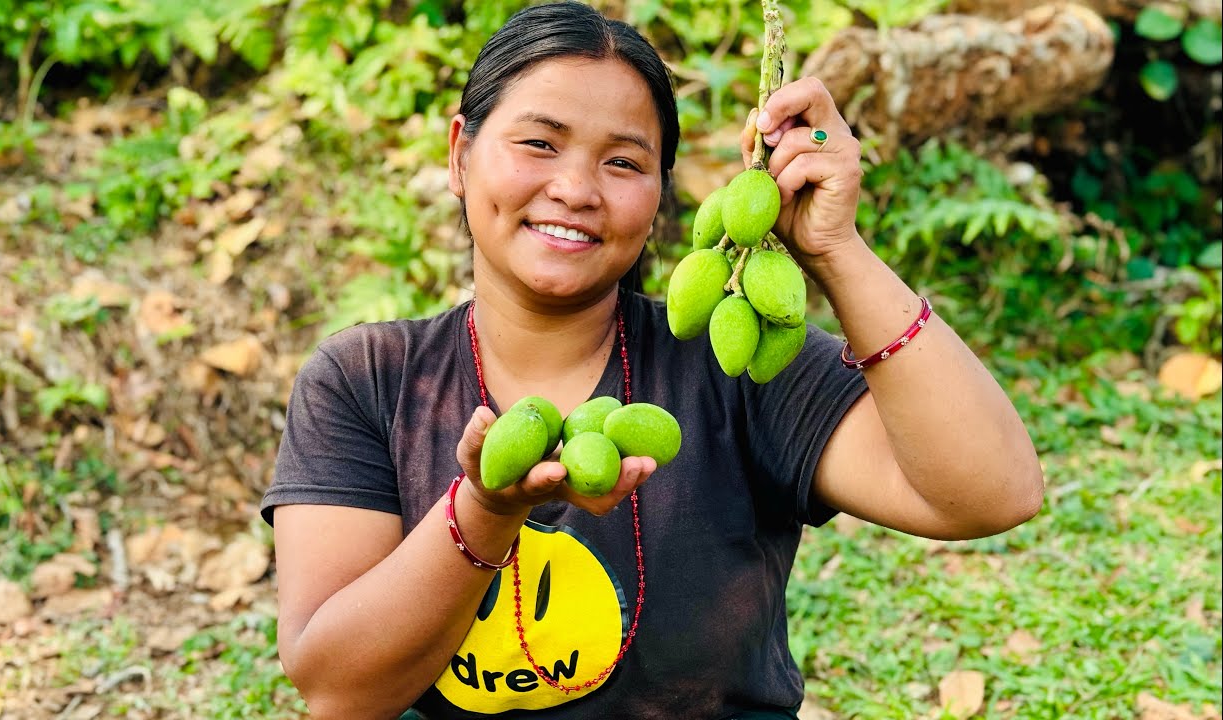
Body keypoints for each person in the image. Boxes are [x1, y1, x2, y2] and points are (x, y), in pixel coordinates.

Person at [260, 3, 1044, 718]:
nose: (575, 189)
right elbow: (338, 689)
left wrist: (836, 252)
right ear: (461, 153)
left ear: (661, 193)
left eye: (624, 163)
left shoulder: (732, 364)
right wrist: (485, 513)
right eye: (539, 143)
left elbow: (992, 493)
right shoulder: (369, 380)